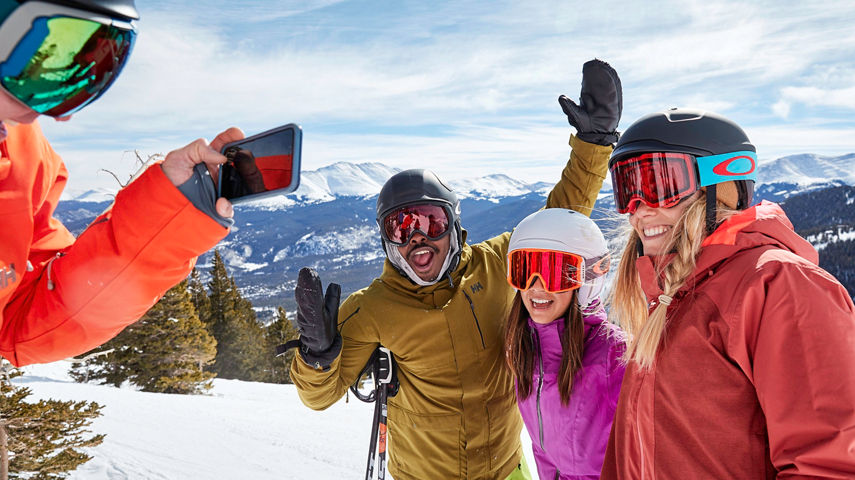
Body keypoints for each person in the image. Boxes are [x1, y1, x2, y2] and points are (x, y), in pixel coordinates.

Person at [289, 58, 622, 479]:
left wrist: (593, 144)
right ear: (386, 239)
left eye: (431, 222)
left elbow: (556, 225)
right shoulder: (372, 308)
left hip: (507, 469)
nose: (417, 238)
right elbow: (318, 399)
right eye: (401, 226)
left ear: (454, 224)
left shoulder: (497, 265)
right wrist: (318, 359)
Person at [600, 108, 855, 478]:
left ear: (722, 185)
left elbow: (830, 464)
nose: (639, 209)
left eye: (659, 184)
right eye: (627, 189)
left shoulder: (778, 285)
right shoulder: (669, 296)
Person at [0, 0, 239, 366]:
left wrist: (167, 215)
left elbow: (28, 317)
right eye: (42, 69)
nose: (55, 116)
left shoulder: (24, 159)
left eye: (88, 80)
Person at [504, 208, 625, 480]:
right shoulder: (526, 352)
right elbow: (544, 452)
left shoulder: (616, 356)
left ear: (588, 279)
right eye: (524, 270)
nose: (537, 286)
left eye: (553, 272)